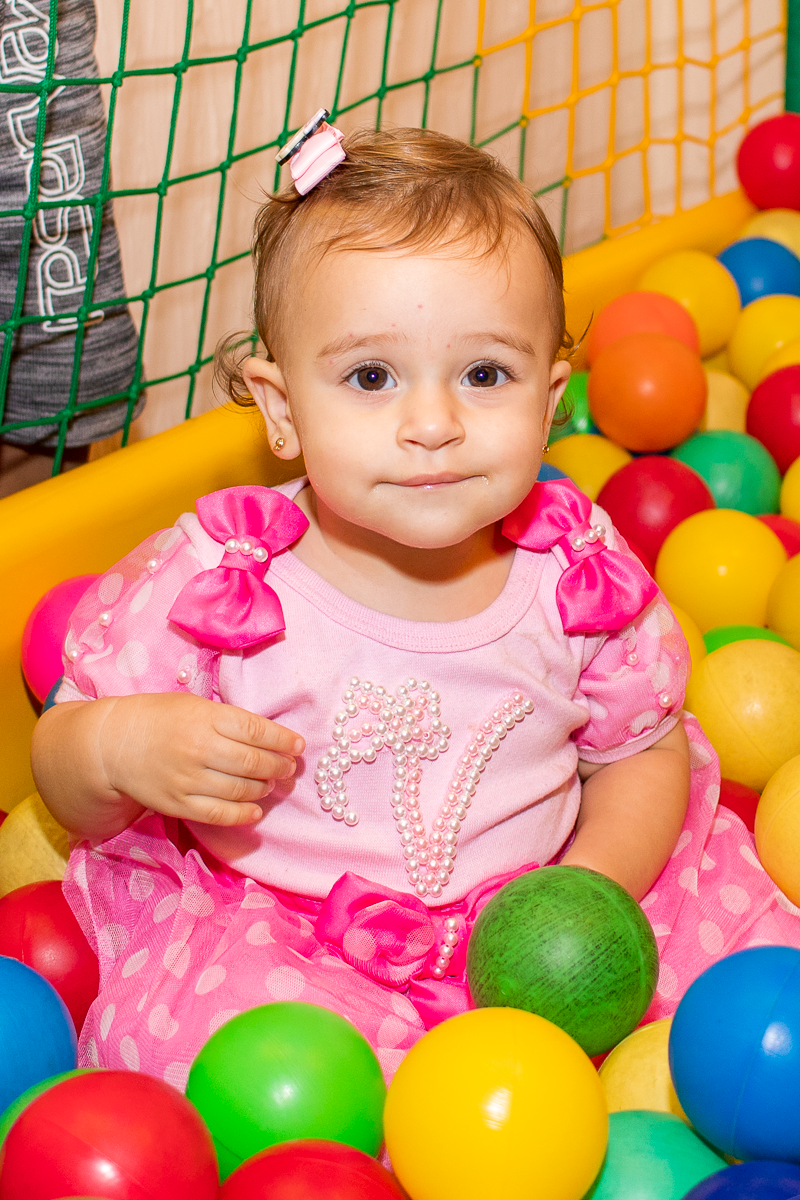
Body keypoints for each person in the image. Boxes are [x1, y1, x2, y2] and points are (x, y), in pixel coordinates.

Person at [31, 118, 800, 1091]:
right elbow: (59, 755)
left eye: (484, 375)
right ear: (279, 408)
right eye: (370, 377)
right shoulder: (221, 584)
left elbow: (640, 749)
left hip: (546, 909)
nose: (432, 424)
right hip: (289, 938)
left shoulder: (572, 575)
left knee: (742, 1011)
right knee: (222, 1068)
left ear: (550, 396)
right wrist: (117, 747)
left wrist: (589, 890)